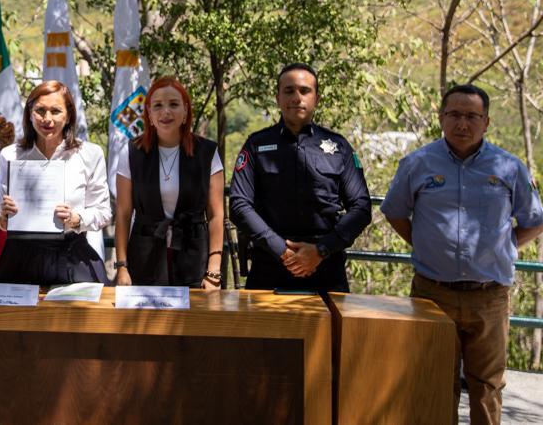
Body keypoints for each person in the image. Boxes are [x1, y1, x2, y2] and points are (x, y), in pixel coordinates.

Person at [381, 84, 543, 425]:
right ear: (441, 117)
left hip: (490, 295)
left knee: (487, 385)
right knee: (434, 380)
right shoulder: (417, 163)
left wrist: (506, 247)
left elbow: (534, 220)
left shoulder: (509, 167)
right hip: (431, 293)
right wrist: (424, 244)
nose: (462, 123)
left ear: (486, 122)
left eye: (472, 116)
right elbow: (395, 211)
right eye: (454, 114)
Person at [229, 63, 371, 292]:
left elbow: (362, 207)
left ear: (317, 98)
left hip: (326, 268)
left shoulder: (339, 147)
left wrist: (320, 250)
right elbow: (238, 204)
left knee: (333, 330)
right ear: (277, 98)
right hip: (269, 268)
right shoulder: (256, 145)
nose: (296, 97)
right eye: (289, 91)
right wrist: (282, 251)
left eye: (305, 91)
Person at [0, 81, 110, 285]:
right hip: (20, 258)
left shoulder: (90, 154)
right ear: (29, 114)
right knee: (13, 317)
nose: (47, 119)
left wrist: (75, 218)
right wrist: (3, 216)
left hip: (72, 256)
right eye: (40, 110)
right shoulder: (10, 155)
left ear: (68, 116)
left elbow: (104, 212)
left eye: (56, 111)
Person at [113, 77, 224, 288]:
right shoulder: (131, 152)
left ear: (185, 111)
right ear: (149, 114)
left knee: (194, 321)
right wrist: (122, 267)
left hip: (194, 257)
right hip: (144, 257)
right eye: (158, 106)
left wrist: (214, 268)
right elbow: (123, 212)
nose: (166, 112)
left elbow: (216, 214)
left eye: (173, 104)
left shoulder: (207, 152)